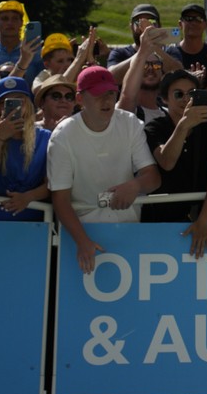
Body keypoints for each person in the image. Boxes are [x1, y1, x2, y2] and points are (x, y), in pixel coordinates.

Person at [48, 66, 161, 272]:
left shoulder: (129, 123)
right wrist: (83, 242)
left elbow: (153, 178)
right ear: (80, 99)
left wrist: (135, 185)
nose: (107, 100)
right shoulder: (63, 136)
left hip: (129, 228)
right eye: (98, 94)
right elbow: (60, 199)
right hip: (80, 232)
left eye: (110, 93)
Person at [143, 70, 207, 257]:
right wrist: (184, 126)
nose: (186, 99)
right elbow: (167, 162)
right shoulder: (154, 128)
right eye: (178, 94)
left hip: (203, 215)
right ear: (164, 99)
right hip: (160, 221)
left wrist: (203, 220)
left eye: (192, 93)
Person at [0, 76, 50, 221]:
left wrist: (28, 197)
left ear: (27, 104)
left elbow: (52, 184)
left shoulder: (45, 138)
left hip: (32, 213)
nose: (15, 108)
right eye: (6, 103)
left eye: (19, 100)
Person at [164, 3, 207, 84]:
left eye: (198, 19)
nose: (194, 23)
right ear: (180, 24)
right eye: (189, 18)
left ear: (206, 25)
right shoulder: (169, 54)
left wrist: (203, 84)